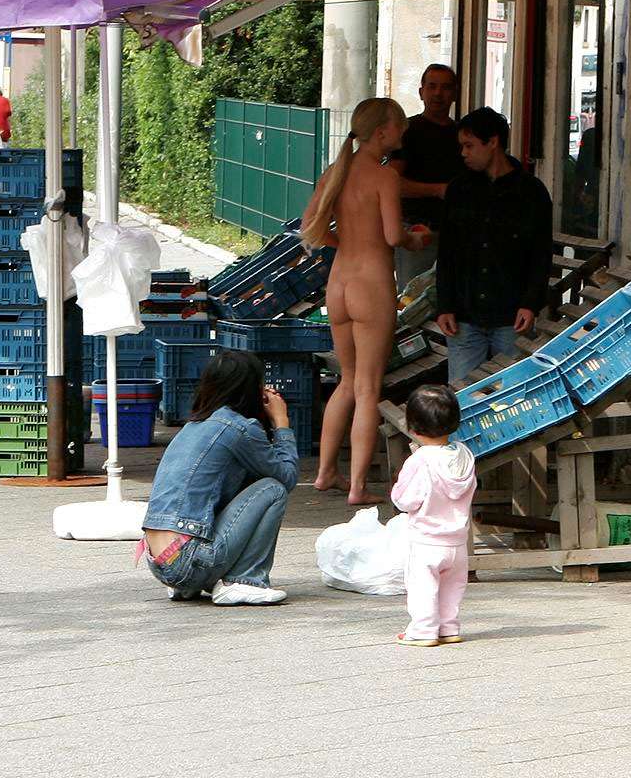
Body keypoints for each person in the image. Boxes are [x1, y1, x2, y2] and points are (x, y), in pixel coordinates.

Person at [303, 97, 428, 506]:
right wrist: (416, 239)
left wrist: (347, 241)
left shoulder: (336, 172)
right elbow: (393, 235)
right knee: (368, 387)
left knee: (346, 381)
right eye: (400, 125)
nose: (404, 131)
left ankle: (325, 472)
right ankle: (357, 486)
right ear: (381, 132)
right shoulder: (385, 176)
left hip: (339, 283)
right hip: (371, 285)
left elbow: (310, 226)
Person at [139, 350, 299, 605]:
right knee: (273, 488)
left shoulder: (194, 425)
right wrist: (281, 422)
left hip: (161, 562)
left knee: (250, 483)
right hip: (190, 560)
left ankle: (191, 585)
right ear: (250, 389)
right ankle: (244, 580)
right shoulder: (239, 428)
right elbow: (287, 477)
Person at [436, 107, 554, 383]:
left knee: (513, 394)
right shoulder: (459, 189)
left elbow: (541, 253)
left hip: (511, 313)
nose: (463, 153)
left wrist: (530, 303)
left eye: (469, 145)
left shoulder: (531, 192)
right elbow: (447, 252)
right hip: (464, 313)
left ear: (493, 142)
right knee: (463, 396)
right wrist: (445, 305)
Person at [390, 385, 476, 646]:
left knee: (423, 588)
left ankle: (423, 630)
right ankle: (449, 628)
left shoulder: (420, 461)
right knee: (452, 588)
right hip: (457, 542)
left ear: (412, 427)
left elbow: (405, 500)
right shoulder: (465, 456)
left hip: (426, 541)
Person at [388, 63, 462, 287]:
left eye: (446, 87)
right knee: (413, 299)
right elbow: (392, 183)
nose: (438, 93)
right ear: (421, 92)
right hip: (417, 233)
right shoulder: (406, 131)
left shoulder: (463, 134)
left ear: (455, 93)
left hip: (457, 234)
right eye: (432, 86)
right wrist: (438, 190)